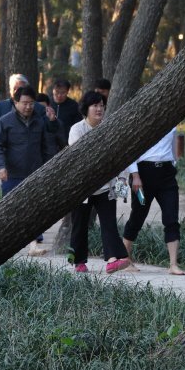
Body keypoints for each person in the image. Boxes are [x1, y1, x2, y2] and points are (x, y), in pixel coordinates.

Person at [68, 91, 139, 274]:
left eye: (101, 105)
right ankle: (78, 261)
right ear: (86, 108)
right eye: (95, 105)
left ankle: (113, 260)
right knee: (80, 225)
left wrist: (122, 181)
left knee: (109, 224)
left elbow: (120, 157)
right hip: (82, 188)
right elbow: (79, 155)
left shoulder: (110, 128)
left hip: (106, 187)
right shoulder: (77, 129)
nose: (99, 109)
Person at [123, 124, 185, 276]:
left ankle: (173, 264)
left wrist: (172, 164)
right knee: (138, 216)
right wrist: (135, 175)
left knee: (171, 218)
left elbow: (172, 148)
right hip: (143, 174)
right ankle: (126, 259)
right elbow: (130, 151)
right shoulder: (141, 122)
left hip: (166, 175)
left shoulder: (172, 124)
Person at [0, 85, 56, 196]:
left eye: (31, 103)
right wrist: (1, 167)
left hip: (36, 174)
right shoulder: (5, 121)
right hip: (12, 175)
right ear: (16, 103)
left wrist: (49, 167)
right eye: (25, 103)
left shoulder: (40, 121)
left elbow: (47, 146)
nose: (28, 107)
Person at [48, 79, 83, 151]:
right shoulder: (47, 104)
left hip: (67, 144)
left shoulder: (74, 106)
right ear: (53, 90)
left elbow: (78, 125)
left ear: (67, 92)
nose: (59, 95)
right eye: (57, 92)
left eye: (63, 93)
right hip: (49, 144)